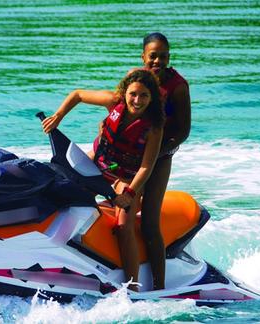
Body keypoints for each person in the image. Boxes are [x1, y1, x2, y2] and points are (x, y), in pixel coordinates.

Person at [42, 69, 165, 291]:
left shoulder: (153, 127)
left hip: (126, 178)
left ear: (152, 97)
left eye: (144, 96)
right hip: (98, 164)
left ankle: (133, 287)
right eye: (133, 94)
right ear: (124, 92)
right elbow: (78, 94)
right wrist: (58, 117)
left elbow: (146, 167)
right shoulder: (113, 101)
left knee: (123, 225)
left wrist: (128, 195)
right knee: (64, 200)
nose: (137, 101)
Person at [139, 32, 191, 290]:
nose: (157, 61)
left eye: (163, 56)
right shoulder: (136, 79)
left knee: (149, 221)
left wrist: (157, 154)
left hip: (160, 157)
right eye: (153, 56)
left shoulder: (178, 86)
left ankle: (158, 286)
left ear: (169, 58)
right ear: (143, 57)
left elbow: (183, 131)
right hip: (132, 152)